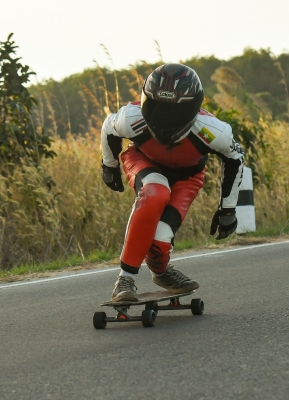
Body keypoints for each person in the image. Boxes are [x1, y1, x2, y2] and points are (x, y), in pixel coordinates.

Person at [100, 63, 244, 302]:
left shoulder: (211, 131)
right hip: (144, 160)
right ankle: (125, 280)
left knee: (161, 237)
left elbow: (236, 157)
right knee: (155, 192)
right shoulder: (132, 117)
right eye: (158, 108)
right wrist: (109, 166)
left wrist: (227, 208)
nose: (164, 119)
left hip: (187, 176)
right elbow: (109, 127)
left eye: (173, 112)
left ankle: (161, 272)